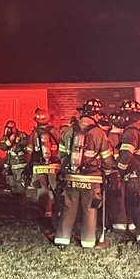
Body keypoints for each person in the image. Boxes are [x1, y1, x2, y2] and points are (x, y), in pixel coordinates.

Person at [54, 100, 113, 248]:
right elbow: (107, 158)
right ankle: (88, 242)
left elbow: (61, 155)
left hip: (71, 177)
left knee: (69, 207)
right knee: (90, 209)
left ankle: (61, 240)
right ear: (96, 115)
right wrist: (107, 172)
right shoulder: (99, 133)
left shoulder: (67, 131)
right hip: (92, 179)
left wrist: (68, 167)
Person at [116, 100, 140, 244]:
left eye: (125, 114)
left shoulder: (131, 132)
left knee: (137, 208)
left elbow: (125, 155)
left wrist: (119, 169)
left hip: (135, 177)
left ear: (130, 115)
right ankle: (139, 236)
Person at [26, 108, 60, 218]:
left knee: (42, 188)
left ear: (36, 120)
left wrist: (28, 165)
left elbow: (28, 151)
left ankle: (47, 212)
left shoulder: (34, 134)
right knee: (56, 188)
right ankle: (60, 211)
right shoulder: (55, 131)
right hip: (54, 165)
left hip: (39, 166)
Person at [0, 119, 29, 199]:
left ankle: (22, 203)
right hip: (10, 167)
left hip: (20, 166)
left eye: (10, 128)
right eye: (7, 127)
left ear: (15, 128)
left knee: (20, 186)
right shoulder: (5, 137)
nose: (8, 129)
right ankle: (15, 203)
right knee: (12, 185)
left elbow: (28, 145)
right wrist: (10, 140)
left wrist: (19, 141)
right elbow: (2, 147)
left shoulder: (22, 135)